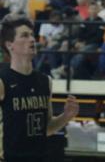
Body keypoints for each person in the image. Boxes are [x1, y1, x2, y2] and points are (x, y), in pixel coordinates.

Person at [0, 15, 79, 161]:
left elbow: (47, 128)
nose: (32, 39)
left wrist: (66, 116)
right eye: (24, 35)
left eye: (31, 34)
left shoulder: (45, 81)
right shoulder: (3, 80)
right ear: (9, 44)